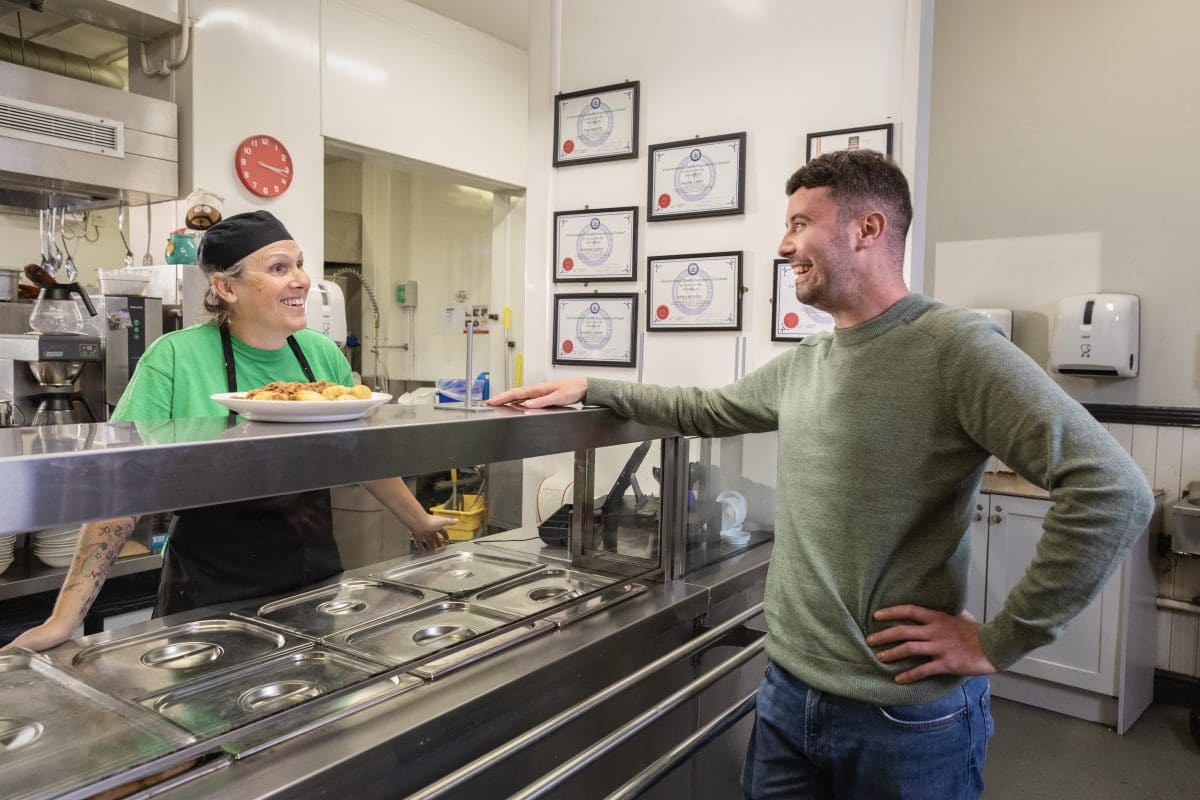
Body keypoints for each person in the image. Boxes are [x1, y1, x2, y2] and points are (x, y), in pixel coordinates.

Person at [488, 150, 1154, 799]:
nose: (784, 247)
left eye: (800, 223)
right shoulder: (809, 360)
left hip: (901, 717)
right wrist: (590, 385)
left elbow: (1112, 491)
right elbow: (707, 409)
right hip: (787, 692)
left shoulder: (957, 350)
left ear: (867, 230)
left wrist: (1001, 640)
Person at [7, 210, 454, 653]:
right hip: (206, 588)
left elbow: (360, 453)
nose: (300, 279)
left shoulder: (322, 355)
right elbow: (122, 485)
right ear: (226, 287)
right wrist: (65, 617)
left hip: (312, 580)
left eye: (299, 264)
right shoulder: (175, 357)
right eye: (279, 268)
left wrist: (418, 521)